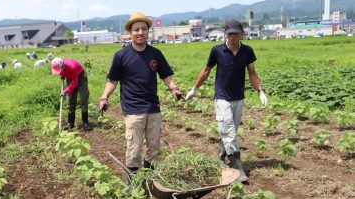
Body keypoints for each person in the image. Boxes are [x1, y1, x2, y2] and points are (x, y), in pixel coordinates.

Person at [98, 11, 182, 174]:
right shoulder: (121, 55)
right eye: (136, 29)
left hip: (153, 108)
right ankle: (133, 185)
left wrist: (174, 89)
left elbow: (166, 76)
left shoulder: (155, 54)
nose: (140, 32)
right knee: (134, 149)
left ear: (148, 32)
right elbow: (112, 80)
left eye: (143, 29)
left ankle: (151, 180)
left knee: (154, 149)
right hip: (133, 109)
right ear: (130, 33)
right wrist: (104, 97)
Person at [185, 20, 268, 184]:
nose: (232, 37)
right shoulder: (217, 50)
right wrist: (194, 90)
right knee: (229, 132)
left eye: (236, 33)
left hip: (239, 98)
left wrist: (261, 91)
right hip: (222, 97)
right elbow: (206, 70)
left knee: (231, 131)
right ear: (226, 34)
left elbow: (252, 72)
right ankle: (237, 166)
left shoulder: (247, 51)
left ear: (242, 34)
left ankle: (221, 157)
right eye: (229, 33)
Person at [51, 57, 93, 131]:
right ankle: (70, 123)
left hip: (80, 77)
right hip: (70, 78)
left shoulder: (72, 66)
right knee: (71, 100)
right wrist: (62, 75)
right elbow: (63, 73)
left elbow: (75, 82)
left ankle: (85, 122)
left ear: (63, 66)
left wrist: (65, 91)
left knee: (83, 98)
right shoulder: (58, 62)